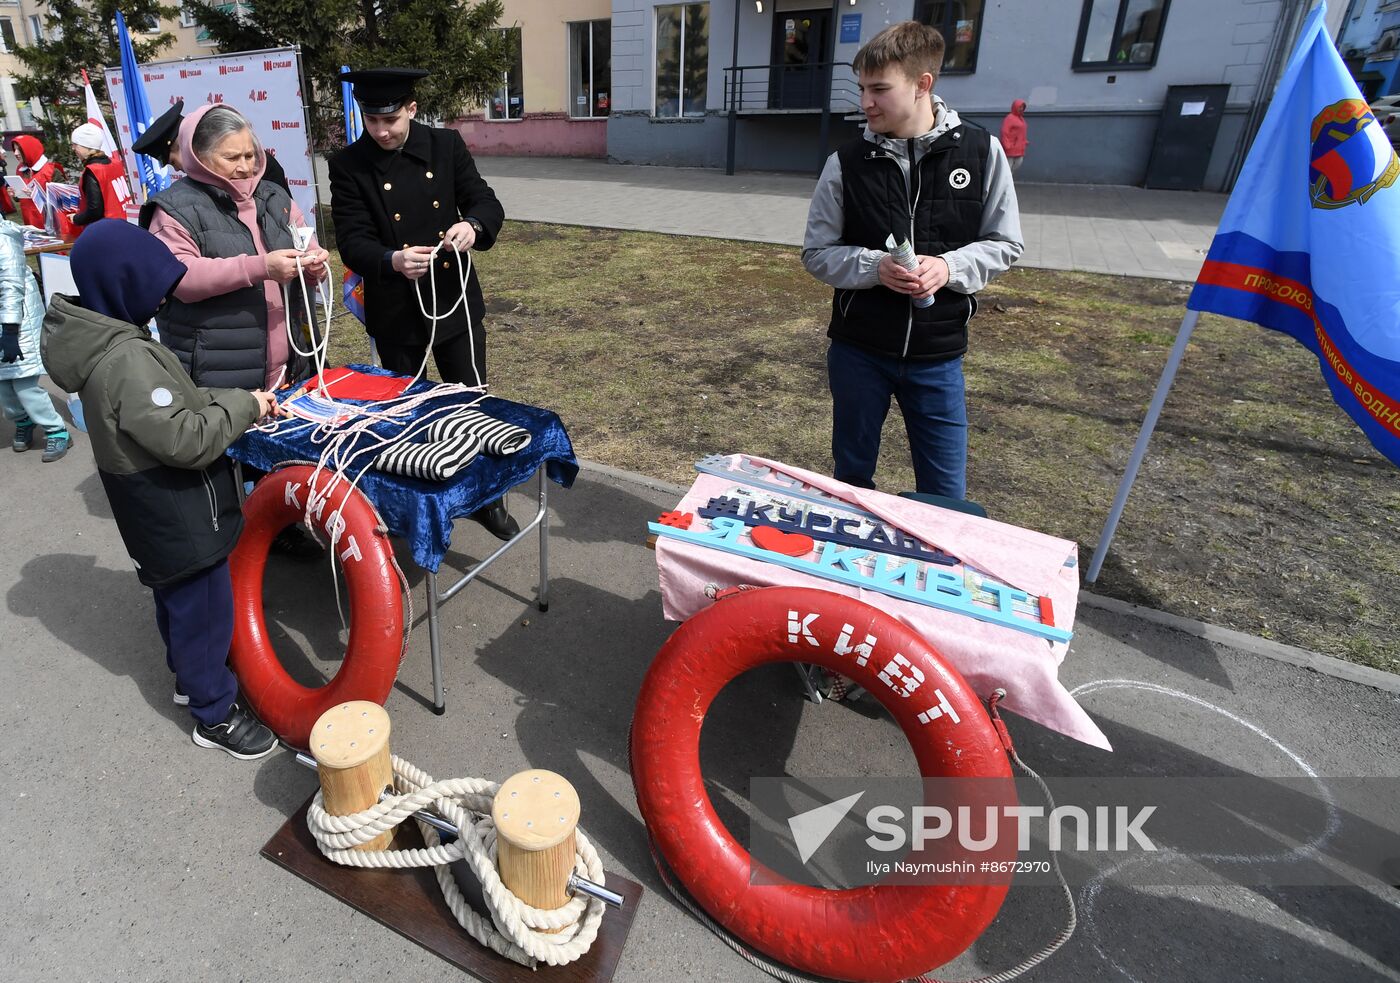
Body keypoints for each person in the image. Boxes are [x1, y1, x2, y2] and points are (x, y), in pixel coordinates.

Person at [40, 219, 285, 758]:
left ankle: (189, 676)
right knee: (203, 606)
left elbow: (175, 398)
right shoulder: (126, 359)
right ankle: (213, 712)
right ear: (125, 286)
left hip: (152, 507)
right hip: (175, 507)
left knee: (178, 599)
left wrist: (230, 396)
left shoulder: (113, 339)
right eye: (155, 289)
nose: (162, 301)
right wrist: (244, 406)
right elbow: (186, 440)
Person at [802, 21, 1023, 500]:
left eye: (880, 89)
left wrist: (948, 268)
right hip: (858, 351)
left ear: (923, 84)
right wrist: (873, 267)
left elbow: (1005, 242)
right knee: (852, 486)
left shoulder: (982, 151)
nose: (866, 103)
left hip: (937, 356)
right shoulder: (846, 162)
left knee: (945, 495)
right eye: (862, 89)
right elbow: (816, 254)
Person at [329, 67, 516, 540]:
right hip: (396, 310)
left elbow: (486, 201)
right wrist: (391, 259)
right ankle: (412, 511)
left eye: (390, 119)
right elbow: (351, 242)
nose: (382, 131)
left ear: (411, 109)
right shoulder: (348, 164)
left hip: (453, 300)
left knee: (472, 402)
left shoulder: (445, 146)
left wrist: (472, 225)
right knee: (405, 415)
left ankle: (486, 498)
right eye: (372, 121)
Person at [145, 103, 328, 393]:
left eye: (250, 155)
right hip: (220, 379)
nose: (244, 167)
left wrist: (314, 266)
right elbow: (181, 278)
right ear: (199, 157)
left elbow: (307, 243)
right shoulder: (172, 209)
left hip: (292, 370)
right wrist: (262, 267)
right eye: (231, 157)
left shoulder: (275, 196)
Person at [134, 100, 292, 228]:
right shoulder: (176, 206)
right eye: (232, 158)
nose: (244, 168)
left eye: (173, 161)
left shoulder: (261, 169)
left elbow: (284, 220)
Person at [0, 217, 69, 461]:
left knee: (24, 384)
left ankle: (56, 430)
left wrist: (9, 330)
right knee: (3, 388)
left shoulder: (3, 238)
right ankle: (23, 419)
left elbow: (11, 284)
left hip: (16, 321)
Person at [69, 122, 132, 230]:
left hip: (106, 230)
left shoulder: (93, 171)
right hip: (124, 223)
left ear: (86, 146)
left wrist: (76, 218)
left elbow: (95, 210)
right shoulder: (115, 163)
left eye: (75, 144)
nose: (73, 148)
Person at [10, 134, 64, 230]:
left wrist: (37, 195)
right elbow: (21, 199)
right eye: (14, 149)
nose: (15, 153)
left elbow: (62, 200)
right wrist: (15, 193)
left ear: (30, 150)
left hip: (52, 224)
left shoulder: (52, 171)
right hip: (30, 224)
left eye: (19, 149)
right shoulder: (20, 169)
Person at [1000, 99, 1028, 175]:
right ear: (1015, 107)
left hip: (1019, 148)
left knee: (1018, 163)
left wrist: (1024, 141)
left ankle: (1008, 181)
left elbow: (1021, 132)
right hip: (1010, 147)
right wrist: (1006, 144)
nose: (1021, 109)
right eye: (1020, 107)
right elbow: (1004, 132)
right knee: (1008, 166)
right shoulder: (1009, 118)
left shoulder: (1021, 119)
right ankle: (1005, 183)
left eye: (1022, 107)